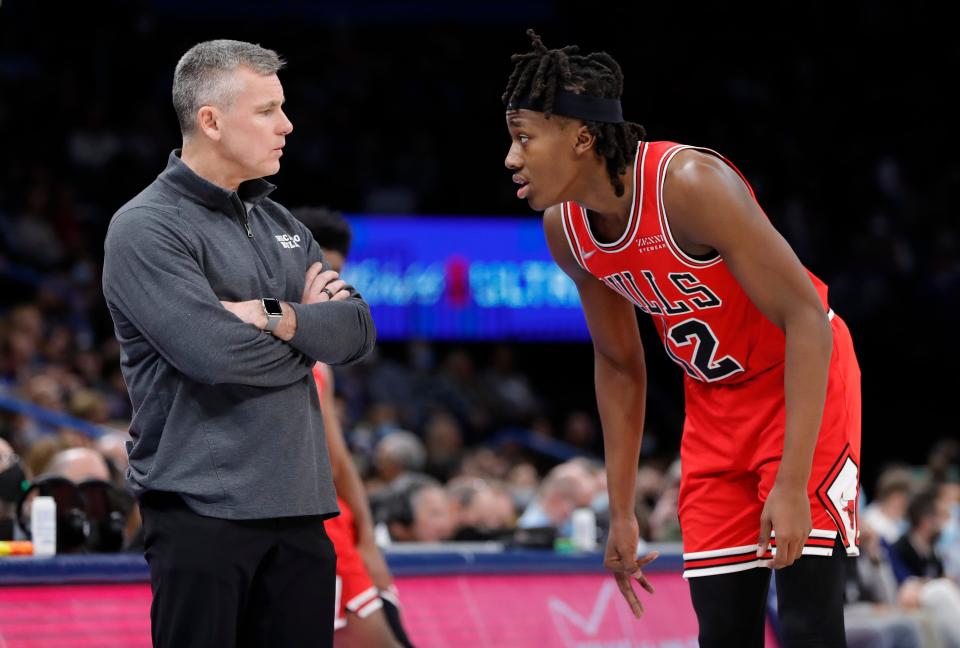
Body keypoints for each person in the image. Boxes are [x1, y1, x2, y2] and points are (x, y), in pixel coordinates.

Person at [502, 30, 861, 647]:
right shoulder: (567, 231)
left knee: (807, 622)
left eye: (524, 137)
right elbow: (619, 364)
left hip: (800, 380)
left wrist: (793, 482)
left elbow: (806, 319)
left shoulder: (689, 184)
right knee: (721, 626)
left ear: (582, 138)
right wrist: (619, 510)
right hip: (715, 403)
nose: (511, 158)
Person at [101, 40, 376, 648]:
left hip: (302, 510)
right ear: (211, 120)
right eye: (268, 110)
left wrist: (273, 316)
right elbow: (213, 354)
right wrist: (309, 330)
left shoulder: (283, 222)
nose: (287, 124)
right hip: (203, 511)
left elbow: (357, 330)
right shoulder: (146, 226)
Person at [292, 206, 413, 648]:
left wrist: (366, 540)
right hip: (312, 521)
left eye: (336, 273)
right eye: (320, 270)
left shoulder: (319, 353)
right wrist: (366, 545)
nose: (331, 284)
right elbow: (336, 460)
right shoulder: (277, 340)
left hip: (327, 519)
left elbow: (338, 458)